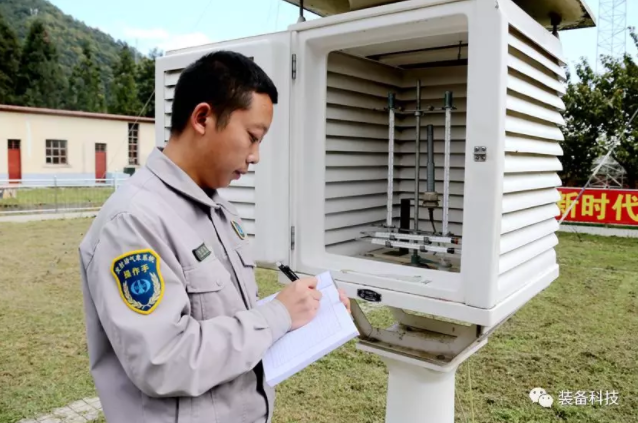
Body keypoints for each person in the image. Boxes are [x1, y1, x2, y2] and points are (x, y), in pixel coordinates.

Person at [78, 50, 351, 423]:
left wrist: (303, 310)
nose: (255, 156)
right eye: (252, 137)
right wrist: (277, 314)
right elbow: (164, 360)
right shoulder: (134, 221)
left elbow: (229, 321)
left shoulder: (220, 211)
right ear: (202, 118)